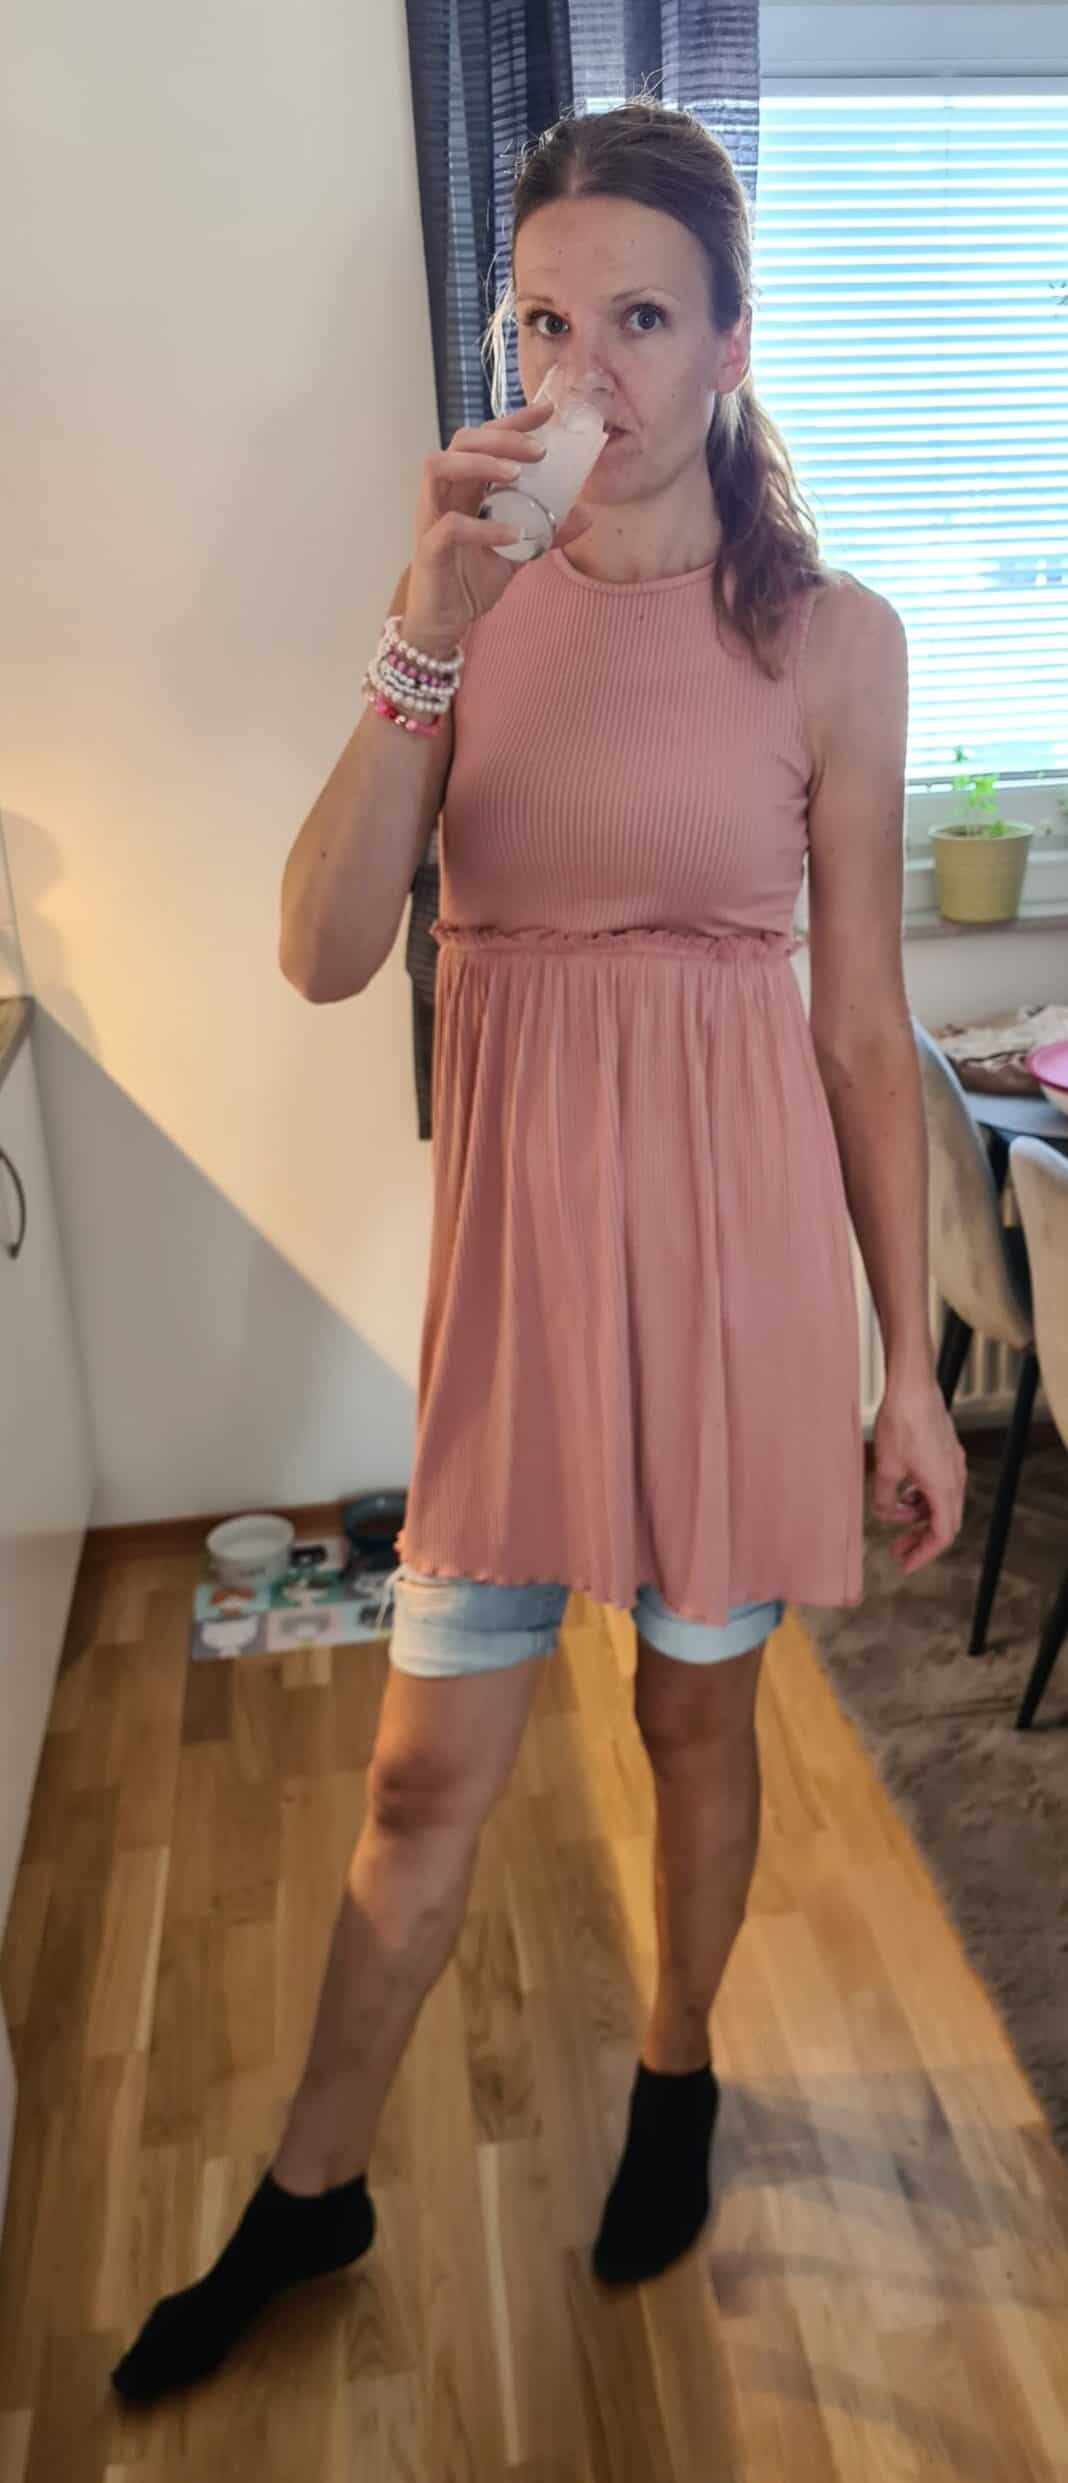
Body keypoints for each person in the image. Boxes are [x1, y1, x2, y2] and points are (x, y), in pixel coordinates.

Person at [111, 95, 966, 2406]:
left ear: (734, 347)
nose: (590, 371)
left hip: (737, 1262)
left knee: (695, 1719)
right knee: (419, 1779)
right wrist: (422, 630)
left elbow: (861, 1029)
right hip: (521, 1281)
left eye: (645, 321)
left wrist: (906, 1366)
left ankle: (680, 2066)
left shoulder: (834, 642)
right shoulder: (464, 606)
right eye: (547, 324)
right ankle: (314, 2188)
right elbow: (319, 953)